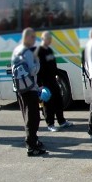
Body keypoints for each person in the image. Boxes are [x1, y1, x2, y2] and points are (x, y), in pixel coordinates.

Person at [12, 28, 46, 156]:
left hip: (20, 88)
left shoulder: (17, 50)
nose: (34, 40)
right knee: (33, 118)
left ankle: (33, 141)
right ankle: (31, 146)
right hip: (29, 89)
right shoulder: (27, 53)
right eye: (32, 37)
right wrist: (37, 61)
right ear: (27, 38)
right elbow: (33, 71)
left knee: (28, 116)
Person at [37, 31, 73, 132]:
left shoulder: (49, 50)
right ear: (44, 39)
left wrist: (56, 74)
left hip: (53, 80)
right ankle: (50, 124)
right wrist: (40, 85)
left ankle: (62, 121)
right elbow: (38, 70)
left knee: (59, 100)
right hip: (45, 82)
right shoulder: (39, 51)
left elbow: (53, 65)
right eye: (49, 39)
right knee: (48, 103)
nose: (50, 41)